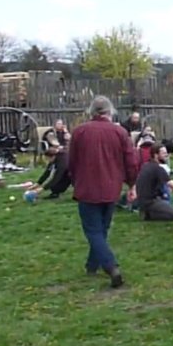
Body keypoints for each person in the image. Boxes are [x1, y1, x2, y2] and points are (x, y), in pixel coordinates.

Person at [67, 96, 137, 289]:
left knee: (93, 230)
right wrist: (132, 184)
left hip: (87, 188)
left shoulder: (80, 132)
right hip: (111, 187)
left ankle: (110, 265)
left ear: (92, 111)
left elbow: (71, 162)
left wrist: (75, 181)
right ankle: (92, 264)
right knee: (101, 229)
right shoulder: (120, 132)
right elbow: (130, 161)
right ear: (109, 111)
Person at [136, 143, 173, 221]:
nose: (166, 155)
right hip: (152, 201)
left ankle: (148, 214)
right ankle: (150, 213)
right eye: (164, 153)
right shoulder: (158, 168)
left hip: (142, 202)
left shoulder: (146, 165)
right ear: (156, 155)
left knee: (168, 210)